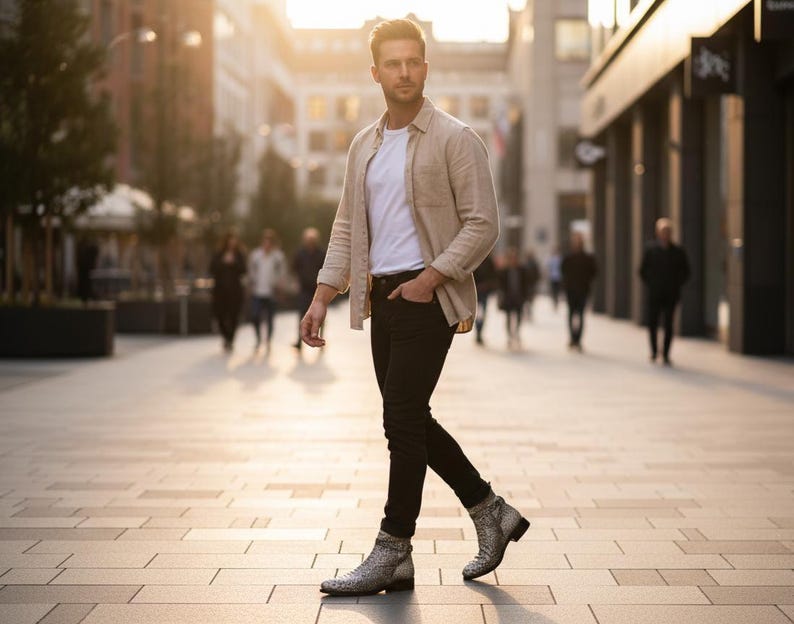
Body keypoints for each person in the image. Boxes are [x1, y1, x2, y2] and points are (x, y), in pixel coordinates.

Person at [299, 18, 529, 597]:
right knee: (409, 419)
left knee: (400, 420)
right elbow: (348, 225)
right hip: (383, 297)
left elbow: (483, 225)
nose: (404, 72)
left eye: (413, 62)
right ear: (374, 72)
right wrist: (323, 295)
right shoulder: (363, 146)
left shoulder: (456, 138)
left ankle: (393, 547)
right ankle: (489, 511)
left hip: (430, 296)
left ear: (425, 68)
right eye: (392, 63)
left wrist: (431, 279)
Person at [640, 217, 690, 365]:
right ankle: (654, 351)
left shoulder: (678, 251)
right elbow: (642, 270)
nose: (665, 234)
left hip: (671, 294)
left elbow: (686, 271)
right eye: (663, 231)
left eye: (668, 231)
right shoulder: (650, 250)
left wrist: (676, 284)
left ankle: (666, 353)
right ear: (657, 233)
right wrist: (652, 284)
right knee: (653, 323)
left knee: (668, 324)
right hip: (654, 293)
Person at [248, 228, 286, 352]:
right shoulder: (256, 255)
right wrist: (251, 283)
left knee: (270, 319)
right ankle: (258, 339)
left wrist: (279, 284)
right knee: (255, 316)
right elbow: (251, 270)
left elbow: (282, 273)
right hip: (257, 292)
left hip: (271, 293)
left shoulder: (278, 257)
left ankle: (268, 340)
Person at [209, 231, 246, 352]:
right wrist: (223, 262)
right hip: (220, 291)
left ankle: (230, 339)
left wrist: (234, 263)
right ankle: (225, 336)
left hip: (235, 292)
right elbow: (211, 268)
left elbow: (243, 269)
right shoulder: (219, 254)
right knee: (220, 315)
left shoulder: (239, 254)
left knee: (234, 315)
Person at [561, 232, 598, 352]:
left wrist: (585, 281)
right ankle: (572, 338)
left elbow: (594, 272)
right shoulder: (568, 258)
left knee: (581, 315)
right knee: (571, 315)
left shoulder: (588, 258)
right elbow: (563, 271)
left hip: (583, 290)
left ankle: (578, 340)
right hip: (571, 291)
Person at [291, 227, 326, 350]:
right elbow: (294, 268)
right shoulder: (300, 253)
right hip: (304, 289)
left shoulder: (321, 253)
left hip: (317, 289)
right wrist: (296, 281)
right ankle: (300, 340)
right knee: (301, 315)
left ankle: (319, 339)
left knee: (319, 315)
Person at [497, 247, 531, 349]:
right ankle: (510, 336)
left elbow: (526, 283)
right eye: (511, 258)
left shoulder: (522, 270)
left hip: (519, 297)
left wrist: (525, 296)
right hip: (508, 297)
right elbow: (500, 284)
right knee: (508, 317)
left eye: (514, 258)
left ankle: (516, 332)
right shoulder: (504, 271)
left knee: (519, 316)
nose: (513, 260)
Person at [473, 253, 497, 345]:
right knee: (476, 313)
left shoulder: (489, 262)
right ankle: (477, 331)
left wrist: (487, 285)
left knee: (483, 313)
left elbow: (493, 276)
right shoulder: (475, 260)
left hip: (485, 292)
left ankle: (480, 332)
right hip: (476, 291)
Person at [523, 249, 540, 321]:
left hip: (531, 284)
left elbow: (537, 274)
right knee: (528, 300)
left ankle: (528, 312)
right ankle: (528, 312)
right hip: (527, 285)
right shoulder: (525, 264)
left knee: (530, 300)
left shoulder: (533, 264)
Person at [546, 246, 562, 311]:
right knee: (555, 291)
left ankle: (556, 301)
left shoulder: (559, 259)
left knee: (556, 291)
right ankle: (555, 301)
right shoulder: (554, 259)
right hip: (554, 277)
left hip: (557, 278)